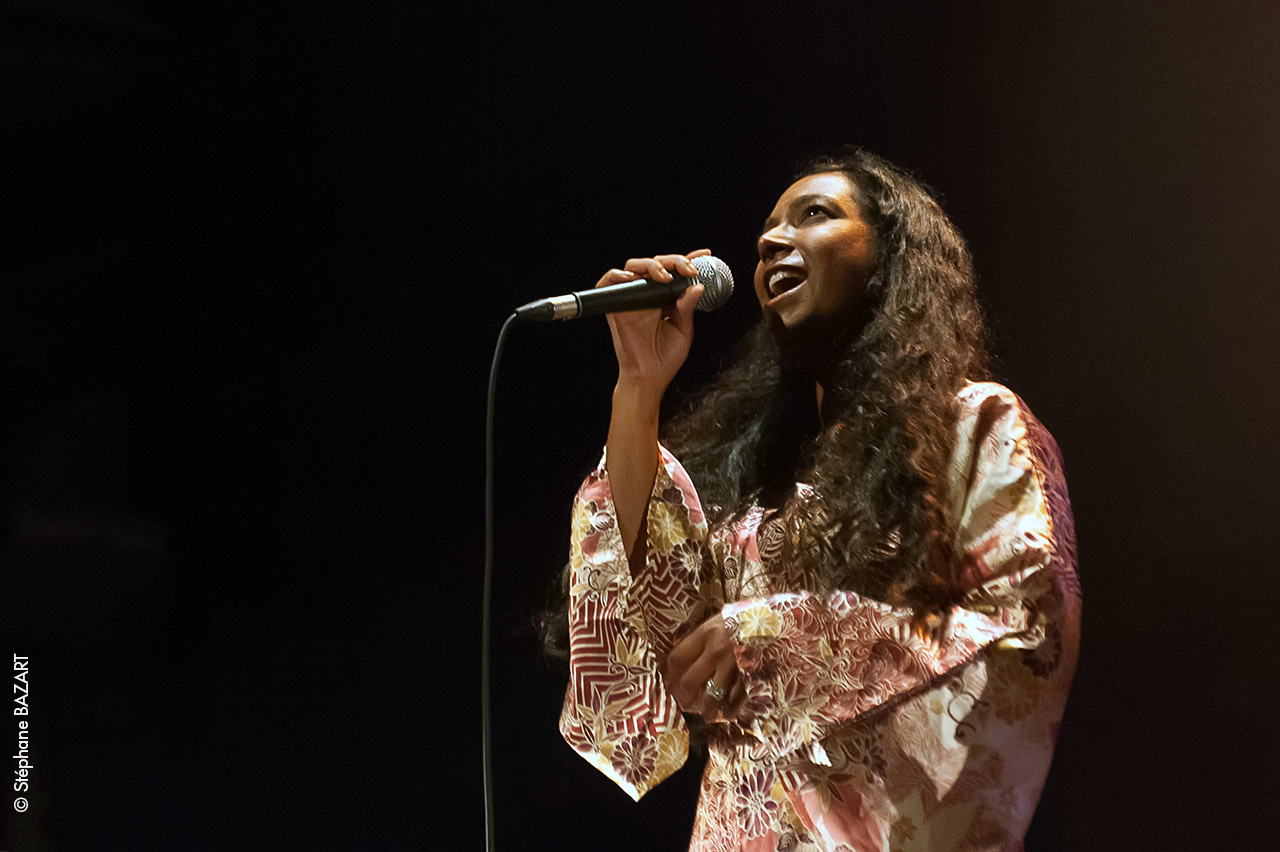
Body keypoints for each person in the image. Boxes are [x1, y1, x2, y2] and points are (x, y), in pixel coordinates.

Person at [549, 148, 1080, 852]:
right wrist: (639, 389)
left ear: (890, 260)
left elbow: (1026, 632)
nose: (769, 241)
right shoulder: (763, 478)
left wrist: (780, 638)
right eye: (767, 227)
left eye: (814, 215)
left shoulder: (974, 427)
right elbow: (650, 640)